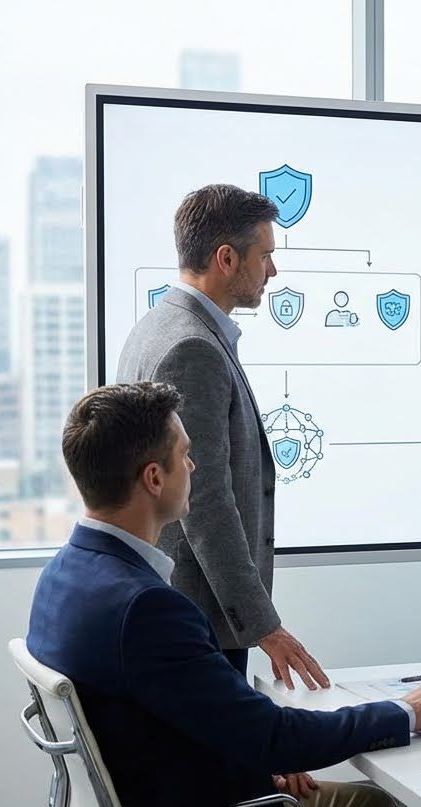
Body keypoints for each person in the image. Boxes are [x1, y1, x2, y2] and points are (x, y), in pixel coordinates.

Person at [27, 382, 421, 807]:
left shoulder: (63, 574)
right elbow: (276, 737)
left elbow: (175, 719)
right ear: (154, 479)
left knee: (372, 805)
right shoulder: (147, 609)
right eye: (185, 454)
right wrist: (407, 711)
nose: (193, 466)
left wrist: (255, 755)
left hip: (162, 796)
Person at [117, 184, 324, 689]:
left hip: (183, 605)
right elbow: (205, 499)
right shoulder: (193, 348)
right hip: (200, 612)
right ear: (227, 259)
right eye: (265, 256)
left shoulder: (158, 325)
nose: (273, 271)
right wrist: (263, 624)